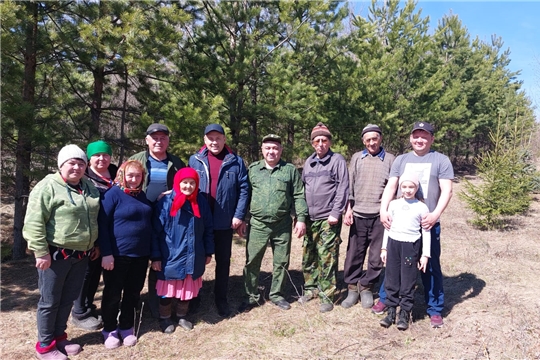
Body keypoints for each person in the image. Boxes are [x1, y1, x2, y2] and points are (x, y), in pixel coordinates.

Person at [23, 144, 100, 360]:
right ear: (61, 165)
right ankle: (45, 346)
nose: (76, 167)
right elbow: (34, 221)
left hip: (82, 255)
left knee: (67, 299)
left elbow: (93, 218)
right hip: (56, 256)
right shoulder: (47, 186)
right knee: (50, 301)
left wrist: (95, 243)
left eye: (81, 163)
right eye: (71, 163)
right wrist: (40, 251)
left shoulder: (88, 187)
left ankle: (59, 337)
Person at [376, 121, 454, 328]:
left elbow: (447, 190)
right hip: (401, 223)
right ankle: (386, 299)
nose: (419, 140)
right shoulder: (401, 160)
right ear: (410, 138)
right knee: (393, 263)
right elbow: (391, 186)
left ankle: (435, 308)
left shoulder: (441, 160)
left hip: (427, 223)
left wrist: (435, 215)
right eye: (416, 136)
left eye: (424, 136)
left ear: (431, 139)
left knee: (430, 265)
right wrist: (384, 211)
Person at [239, 134, 308, 312]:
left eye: (275, 148)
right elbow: (245, 195)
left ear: (281, 150)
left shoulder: (290, 170)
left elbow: (299, 194)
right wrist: (242, 219)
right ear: (262, 150)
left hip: (282, 224)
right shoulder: (253, 169)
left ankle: (276, 294)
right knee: (252, 261)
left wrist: (300, 218)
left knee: (281, 261)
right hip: (258, 224)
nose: (272, 151)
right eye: (268, 148)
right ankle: (251, 295)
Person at [188, 123, 249, 318]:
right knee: (197, 259)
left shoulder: (236, 161)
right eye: (210, 138)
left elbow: (244, 189)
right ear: (205, 140)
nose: (214, 142)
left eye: (218, 138)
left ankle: (220, 298)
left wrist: (239, 215)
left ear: (224, 140)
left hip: (224, 221)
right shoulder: (195, 160)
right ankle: (194, 297)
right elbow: (185, 185)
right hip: (200, 221)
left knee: (223, 261)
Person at [130, 123, 186, 318]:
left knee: (159, 260)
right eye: (154, 138)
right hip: (138, 219)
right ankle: (133, 301)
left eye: (163, 138)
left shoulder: (176, 162)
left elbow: (185, 185)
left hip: (165, 220)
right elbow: (124, 183)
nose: (158, 141)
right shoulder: (136, 160)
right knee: (136, 263)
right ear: (147, 140)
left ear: (168, 141)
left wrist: (173, 193)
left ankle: (157, 302)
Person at [151, 168, 214, 333]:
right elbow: (155, 233)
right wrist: (156, 256)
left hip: (194, 254)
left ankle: (181, 315)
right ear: (177, 184)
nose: (188, 186)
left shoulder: (201, 202)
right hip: (170, 255)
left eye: (192, 183)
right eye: (184, 182)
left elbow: (208, 229)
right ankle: (164, 318)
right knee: (167, 290)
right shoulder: (165, 203)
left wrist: (208, 252)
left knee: (186, 289)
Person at [98, 160, 153, 348]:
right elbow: (103, 226)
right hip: (117, 255)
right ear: (122, 175)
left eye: (138, 176)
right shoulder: (113, 194)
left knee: (133, 292)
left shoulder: (142, 196)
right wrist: (106, 253)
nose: (134, 179)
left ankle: (127, 326)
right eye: (130, 175)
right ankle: (110, 329)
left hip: (140, 255)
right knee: (113, 293)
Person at [341, 124, 395, 309]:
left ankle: (366, 287)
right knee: (354, 254)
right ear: (363, 141)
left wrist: (388, 211)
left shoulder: (390, 159)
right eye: (368, 139)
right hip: (358, 214)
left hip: (380, 216)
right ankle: (352, 287)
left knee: (376, 256)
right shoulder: (357, 158)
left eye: (375, 138)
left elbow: (393, 188)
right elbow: (350, 185)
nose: (372, 142)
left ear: (381, 139)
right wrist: (348, 209)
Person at [298, 123, 349, 313]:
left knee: (326, 257)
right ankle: (311, 288)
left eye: (324, 140)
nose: (320, 144)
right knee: (308, 255)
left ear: (329, 142)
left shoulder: (337, 160)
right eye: (317, 140)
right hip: (310, 218)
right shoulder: (309, 163)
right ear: (312, 143)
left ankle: (326, 294)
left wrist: (336, 213)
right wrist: (301, 216)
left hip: (328, 219)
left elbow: (343, 187)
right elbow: (302, 190)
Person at [71, 140, 118, 331]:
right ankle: (80, 312)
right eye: (97, 155)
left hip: (112, 233)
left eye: (105, 155)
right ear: (89, 158)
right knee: (88, 273)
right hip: (90, 233)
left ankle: (97, 306)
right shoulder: (84, 177)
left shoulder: (116, 174)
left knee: (104, 272)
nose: (101, 159)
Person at [379, 172, 431, 330]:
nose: (408, 190)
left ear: (416, 188)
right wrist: (384, 248)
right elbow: (387, 228)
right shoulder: (393, 205)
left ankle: (405, 313)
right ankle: (391, 311)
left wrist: (425, 254)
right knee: (391, 278)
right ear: (400, 187)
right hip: (394, 245)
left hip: (410, 246)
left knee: (408, 280)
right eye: (404, 186)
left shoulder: (421, 207)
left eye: (411, 187)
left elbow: (426, 231)